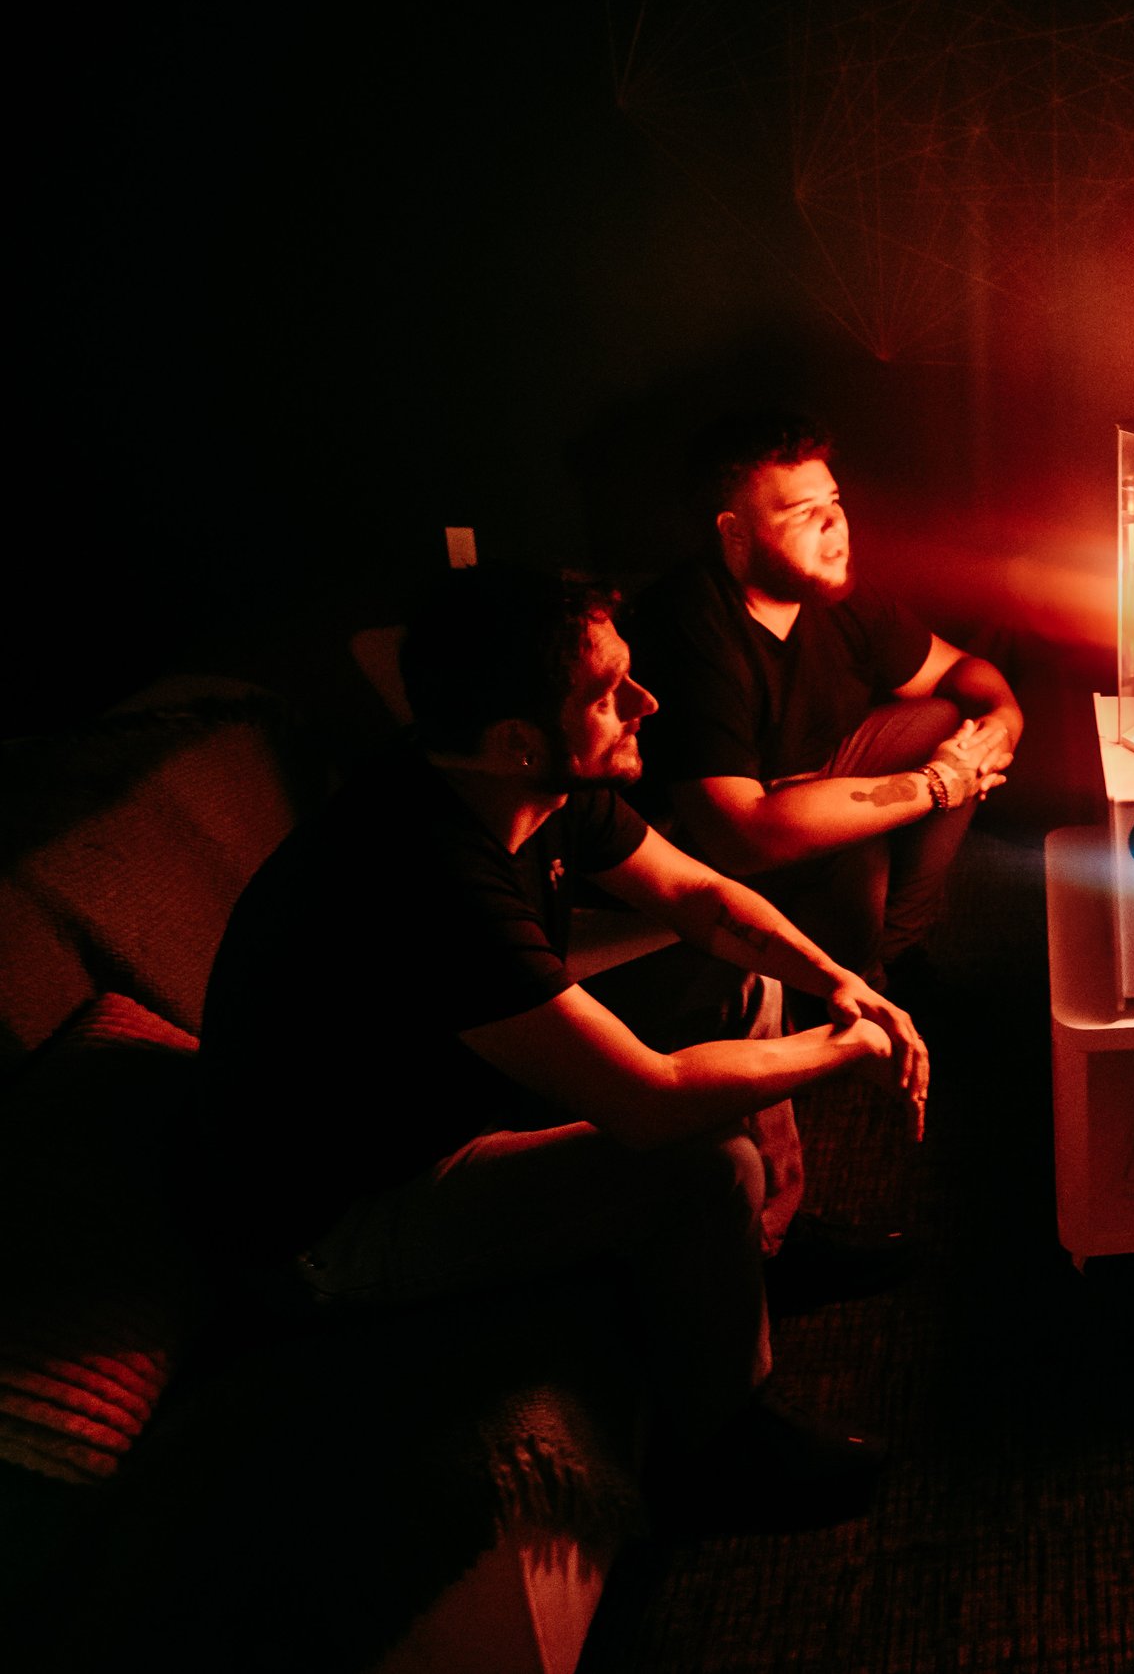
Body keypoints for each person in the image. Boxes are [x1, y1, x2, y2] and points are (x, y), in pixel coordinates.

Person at [197, 565, 930, 1524]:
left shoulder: (530, 780)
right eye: (610, 692)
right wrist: (852, 1048)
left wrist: (837, 982)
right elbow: (651, 1100)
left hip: (444, 1089)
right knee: (708, 1164)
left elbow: (697, 895)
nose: (646, 701)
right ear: (517, 739)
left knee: (737, 976)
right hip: (341, 1220)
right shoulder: (428, 876)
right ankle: (724, 1446)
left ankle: (764, 1246)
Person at [624, 410, 1023, 1000]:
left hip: (810, 780)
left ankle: (896, 952)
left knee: (954, 720)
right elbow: (740, 836)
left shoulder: (831, 591)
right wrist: (939, 783)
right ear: (735, 532)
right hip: (703, 841)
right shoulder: (690, 629)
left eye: (833, 502)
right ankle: (851, 993)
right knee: (856, 849)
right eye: (803, 513)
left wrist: (1002, 722)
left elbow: (963, 672)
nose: (835, 523)